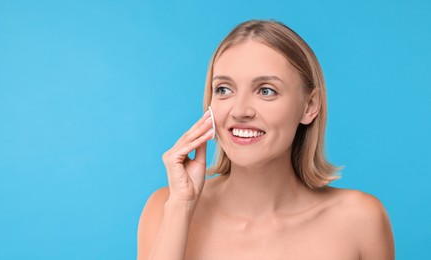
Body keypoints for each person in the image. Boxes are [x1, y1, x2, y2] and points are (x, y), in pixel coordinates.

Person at [137, 20, 394, 260]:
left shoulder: (360, 219)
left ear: (309, 106)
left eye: (266, 91)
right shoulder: (166, 208)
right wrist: (181, 206)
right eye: (224, 89)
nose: (239, 111)